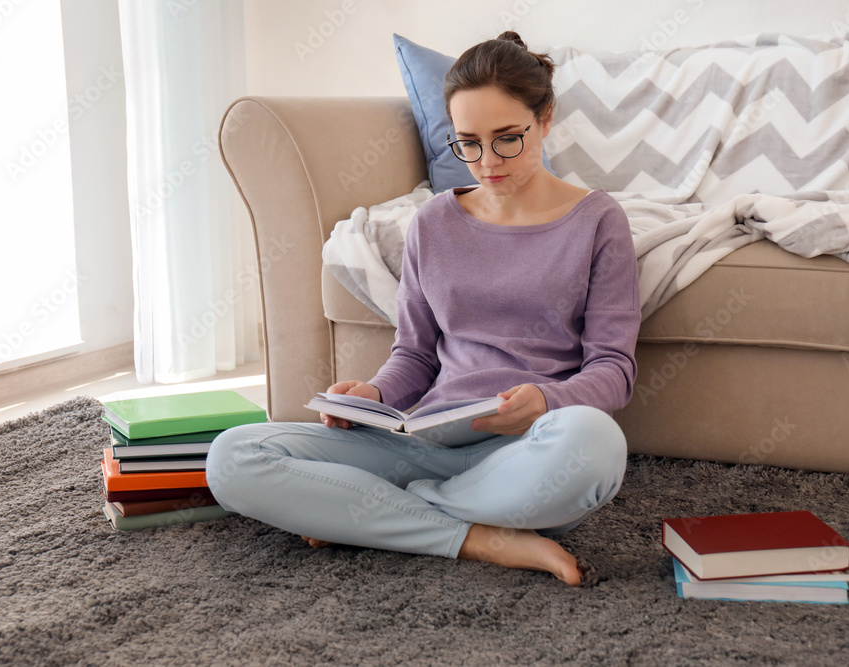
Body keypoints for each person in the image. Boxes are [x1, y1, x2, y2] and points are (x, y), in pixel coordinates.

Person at [205, 31, 640, 586]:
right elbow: (414, 354)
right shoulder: (433, 223)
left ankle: (369, 513)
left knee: (597, 444)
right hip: (424, 442)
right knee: (233, 456)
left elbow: (614, 370)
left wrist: (548, 399)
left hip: (530, 449)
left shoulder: (599, 221)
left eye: (507, 139)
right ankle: (479, 538)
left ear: (546, 118)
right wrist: (375, 395)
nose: (486, 163)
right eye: (468, 142)